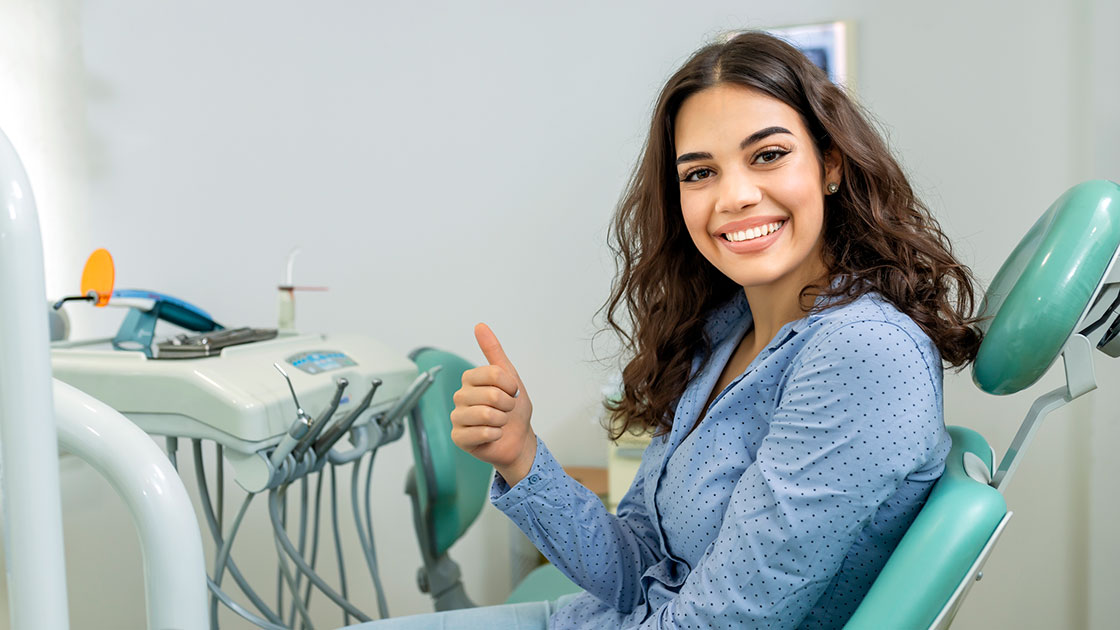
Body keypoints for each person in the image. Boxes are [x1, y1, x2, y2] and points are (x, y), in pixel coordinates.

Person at [353, 30, 981, 629]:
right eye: (699, 172)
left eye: (768, 155)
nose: (733, 196)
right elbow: (637, 569)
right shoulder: (726, 328)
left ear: (831, 165)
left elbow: (723, 623)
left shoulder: (862, 351)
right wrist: (521, 457)